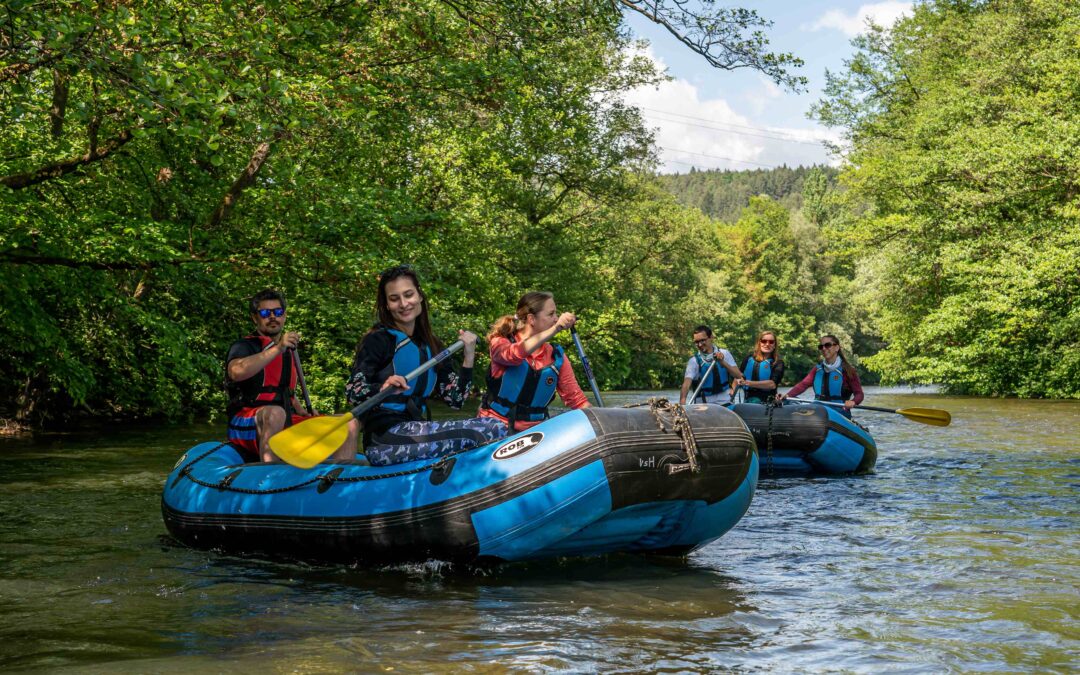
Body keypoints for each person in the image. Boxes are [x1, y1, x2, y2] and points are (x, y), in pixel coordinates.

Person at [344, 265, 504, 466]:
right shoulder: (378, 340)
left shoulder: (432, 345)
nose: (403, 304)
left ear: (420, 295)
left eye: (408, 295)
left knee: (496, 426)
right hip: (384, 440)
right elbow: (352, 391)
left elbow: (456, 399)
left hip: (415, 429)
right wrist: (383, 387)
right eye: (394, 299)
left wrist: (468, 357)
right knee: (486, 431)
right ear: (386, 305)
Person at [225, 289, 358, 463]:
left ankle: (338, 481)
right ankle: (270, 478)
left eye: (277, 312)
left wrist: (304, 412)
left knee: (348, 423)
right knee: (276, 413)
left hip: (285, 418)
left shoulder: (288, 352)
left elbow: (287, 393)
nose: (272, 316)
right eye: (265, 313)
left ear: (284, 315)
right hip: (246, 421)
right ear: (255, 318)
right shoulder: (245, 346)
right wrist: (278, 348)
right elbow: (236, 372)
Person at [478, 291, 591, 433]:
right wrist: (556, 329)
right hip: (496, 426)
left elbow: (577, 400)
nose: (556, 319)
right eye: (551, 314)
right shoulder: (500, 343)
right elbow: (515, 354)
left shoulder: (556, 356)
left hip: (535, 432)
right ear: (531, 319)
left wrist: (601, 418)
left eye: (556, 314)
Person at [778, 334, 864, 418]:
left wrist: (853, 402)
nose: (824, 349)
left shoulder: (848, 370)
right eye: (821, 346)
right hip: (818, 409)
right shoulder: (817, 369)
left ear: (837, 348)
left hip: (839, 411)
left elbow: (859, 394)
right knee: (789, 403)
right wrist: (787, 395)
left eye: (827, 345)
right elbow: (803, 385)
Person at [679, 325, 744, 405]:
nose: (699, 345)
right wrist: (682, 403)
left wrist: (722, 362)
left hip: (725, 402)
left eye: (703, 340)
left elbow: (738, 375)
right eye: (696, 342)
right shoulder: (693, 361)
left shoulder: (725, 354)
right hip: (703, 405)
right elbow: (686, 384)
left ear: (711, 337)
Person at [738, 330, 785, 403]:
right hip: (749, 399)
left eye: (771, 342)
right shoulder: (748, 359)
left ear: (775, 345)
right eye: (764, 341)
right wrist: (732, 391)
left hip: (768, 401)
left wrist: (747, 383)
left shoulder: (778, 363)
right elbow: (738, 376)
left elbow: (772, 384)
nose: (767, 344)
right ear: (759, 343)